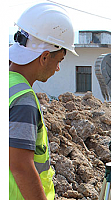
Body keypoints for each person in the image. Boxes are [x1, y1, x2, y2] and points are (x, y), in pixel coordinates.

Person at [9, 3, 78, 200]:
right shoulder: (22, 99)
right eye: (59, 61)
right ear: (45, 57)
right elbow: (20, 166)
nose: (57, 69)